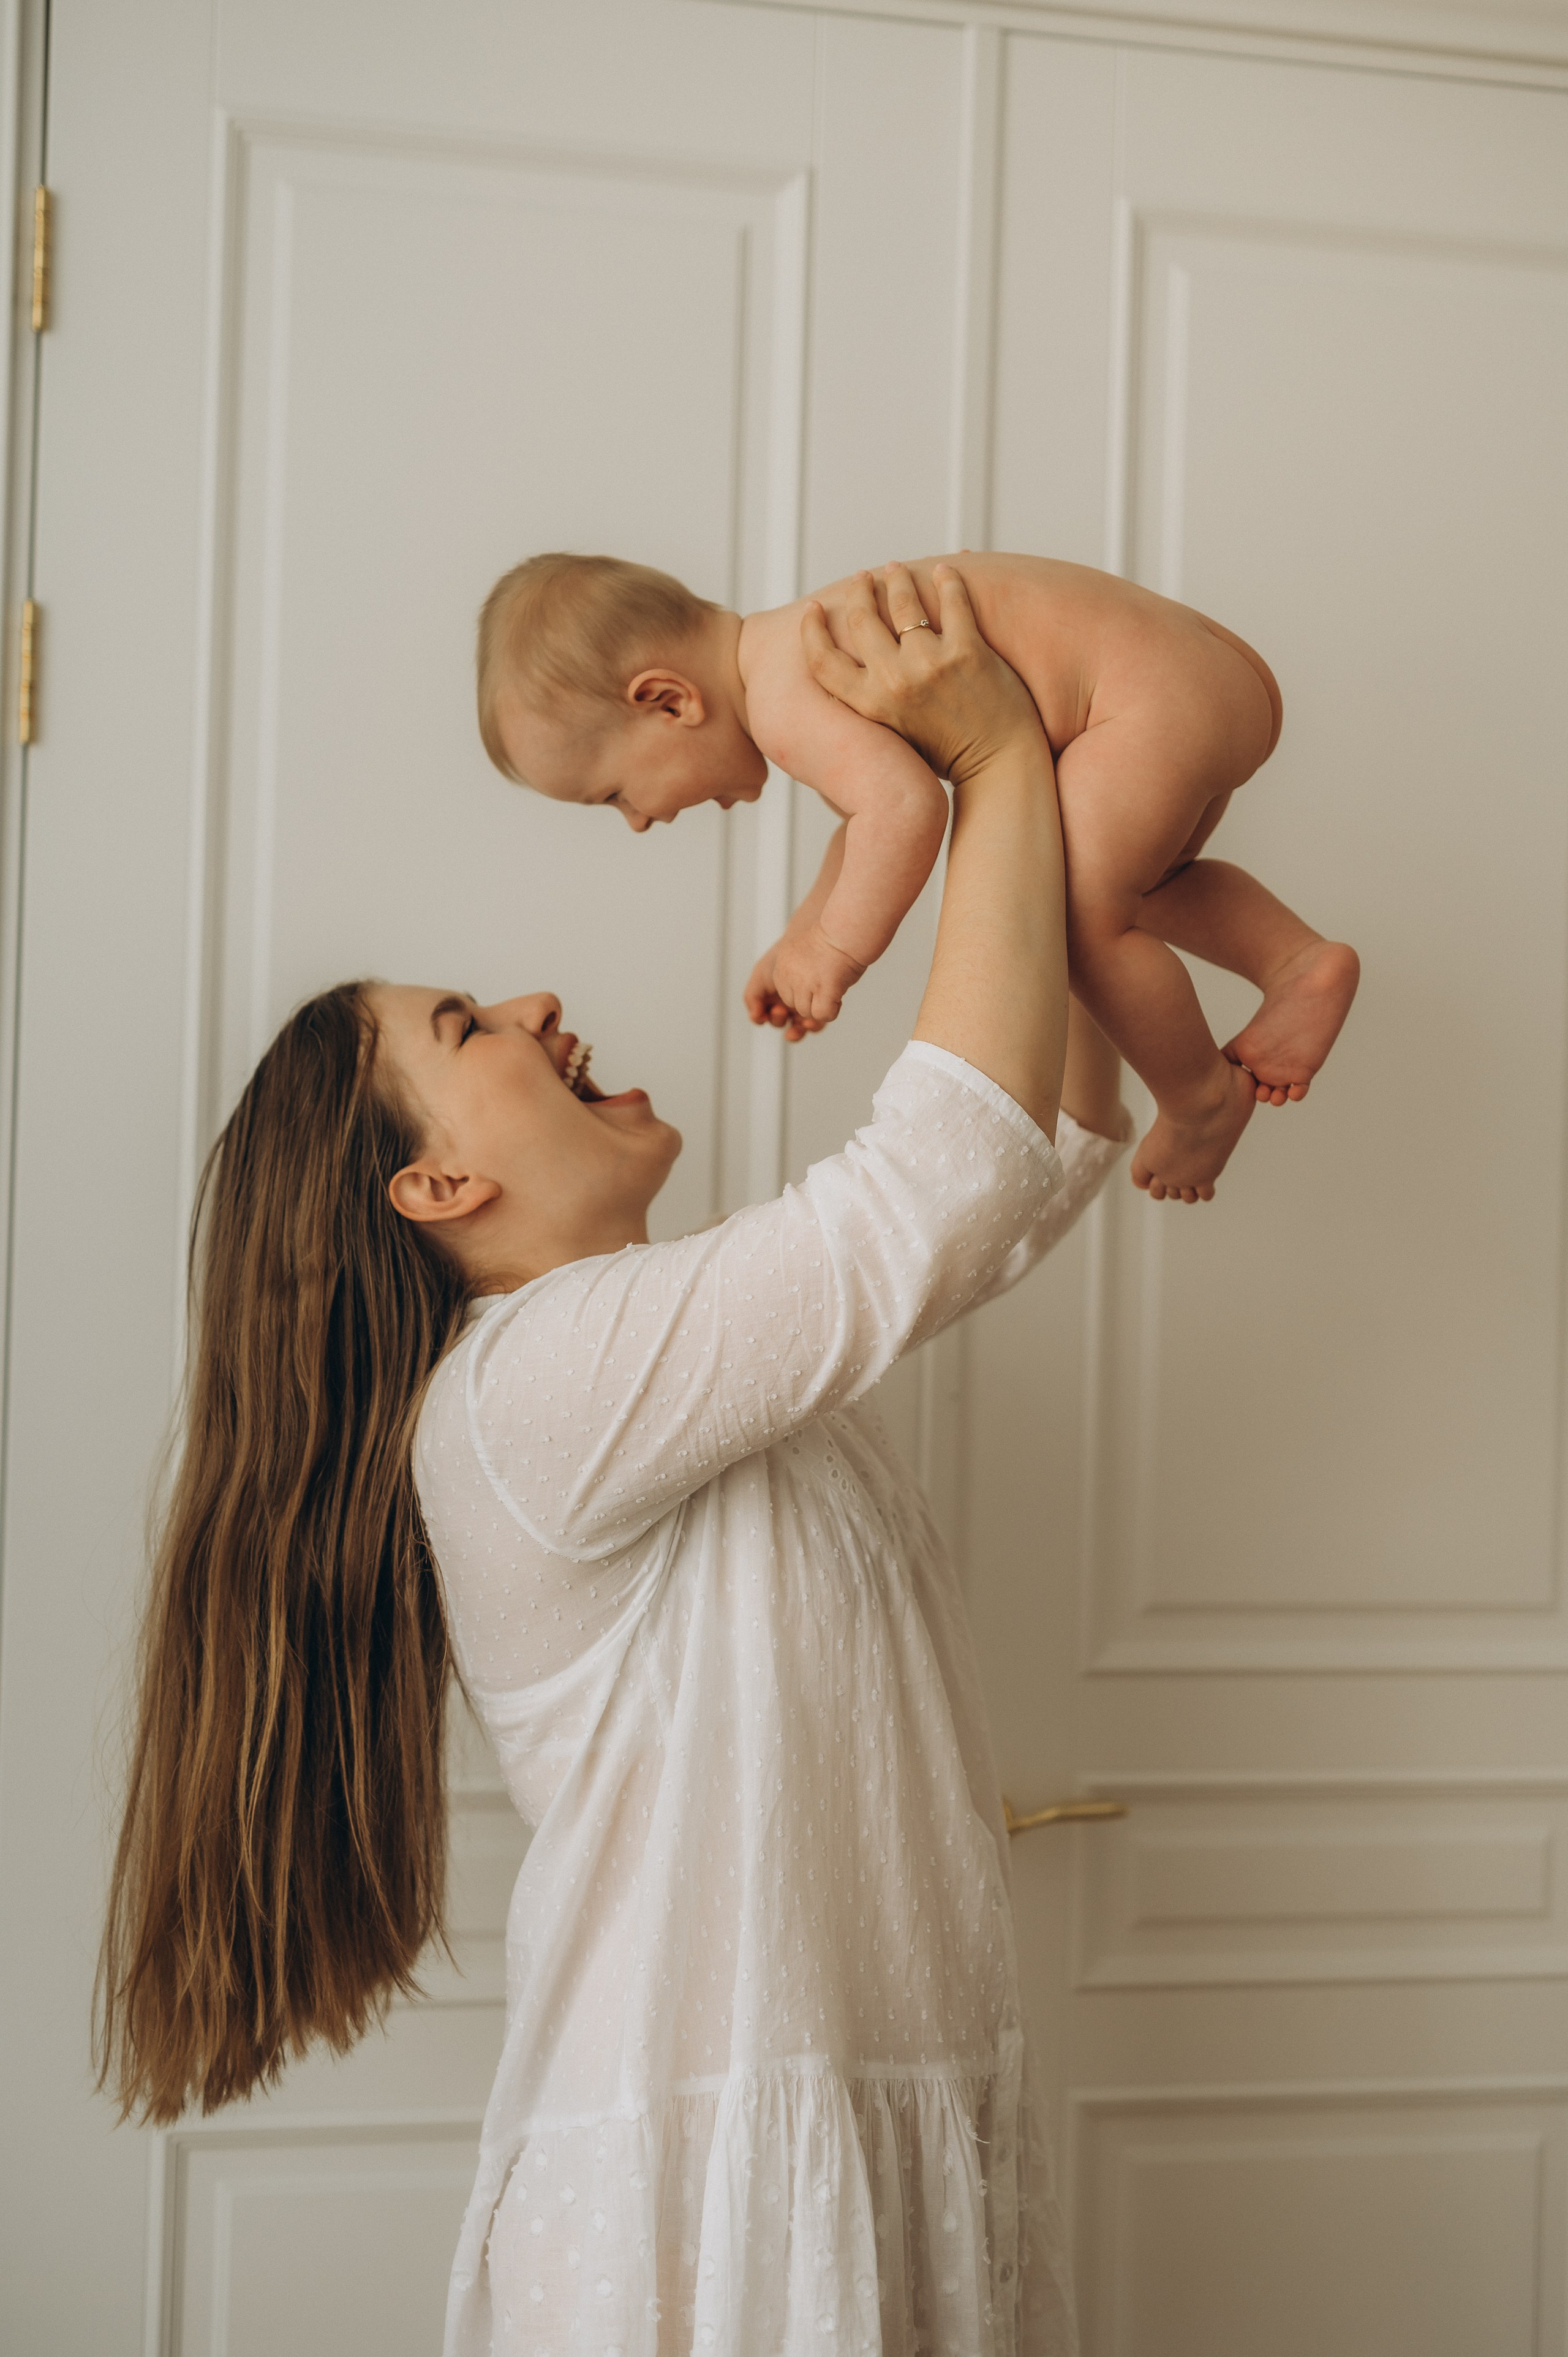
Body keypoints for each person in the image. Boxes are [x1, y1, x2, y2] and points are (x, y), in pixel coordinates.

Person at [99, 567, 1130, 2356]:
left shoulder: (653, 1359)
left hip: (836, 2145)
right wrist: (999, 770)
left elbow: (1003, 1191)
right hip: (705, 2222)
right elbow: (941, 1196)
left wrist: (1083, 822)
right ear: (436, 1191)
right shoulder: (534, 1391)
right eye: (470, 1031)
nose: (537, 1001)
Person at [477, 549, 1359, 1204]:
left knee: (1075, 914)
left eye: (615, 795)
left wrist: (836, 952)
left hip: (1141, 699)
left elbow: (904, 813)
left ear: (669, 702)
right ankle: (1295, 964)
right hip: (1192, 670)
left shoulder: (784, 692)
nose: (638, 820)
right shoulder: (792, 647)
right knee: (1148, 889)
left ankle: (1199, 1099)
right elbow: (861, 825)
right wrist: (800, 936)